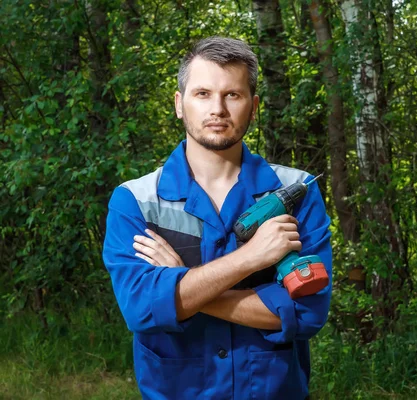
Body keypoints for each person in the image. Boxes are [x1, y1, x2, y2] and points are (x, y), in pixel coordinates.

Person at [102, 36, 332, 399]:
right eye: (202, 94)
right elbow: (141, 310)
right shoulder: (136, 201)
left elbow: (306, 313)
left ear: (253, 107)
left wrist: (179, 289)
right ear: (180, 104)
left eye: (233, 95)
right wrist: (250, 259)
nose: (218, 109)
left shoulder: (297, 191)